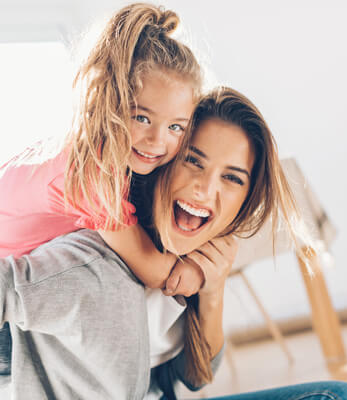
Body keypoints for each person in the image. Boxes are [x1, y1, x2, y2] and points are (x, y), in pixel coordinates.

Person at [0, 87, 347, 400]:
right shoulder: (91, 261)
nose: (206, 190)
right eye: (193, 161)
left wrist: (212, 291)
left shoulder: (189, 261)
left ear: (245, 199)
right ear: (164, 161)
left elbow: (194, 376)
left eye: (232, 178)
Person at [0, 2, 208, 377]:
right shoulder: (92, 171)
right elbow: (156, 272)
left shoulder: (84, 149)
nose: (156, 140)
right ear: (107, 102)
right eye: (141, 117)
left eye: (176, 127)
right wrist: (202, 268)